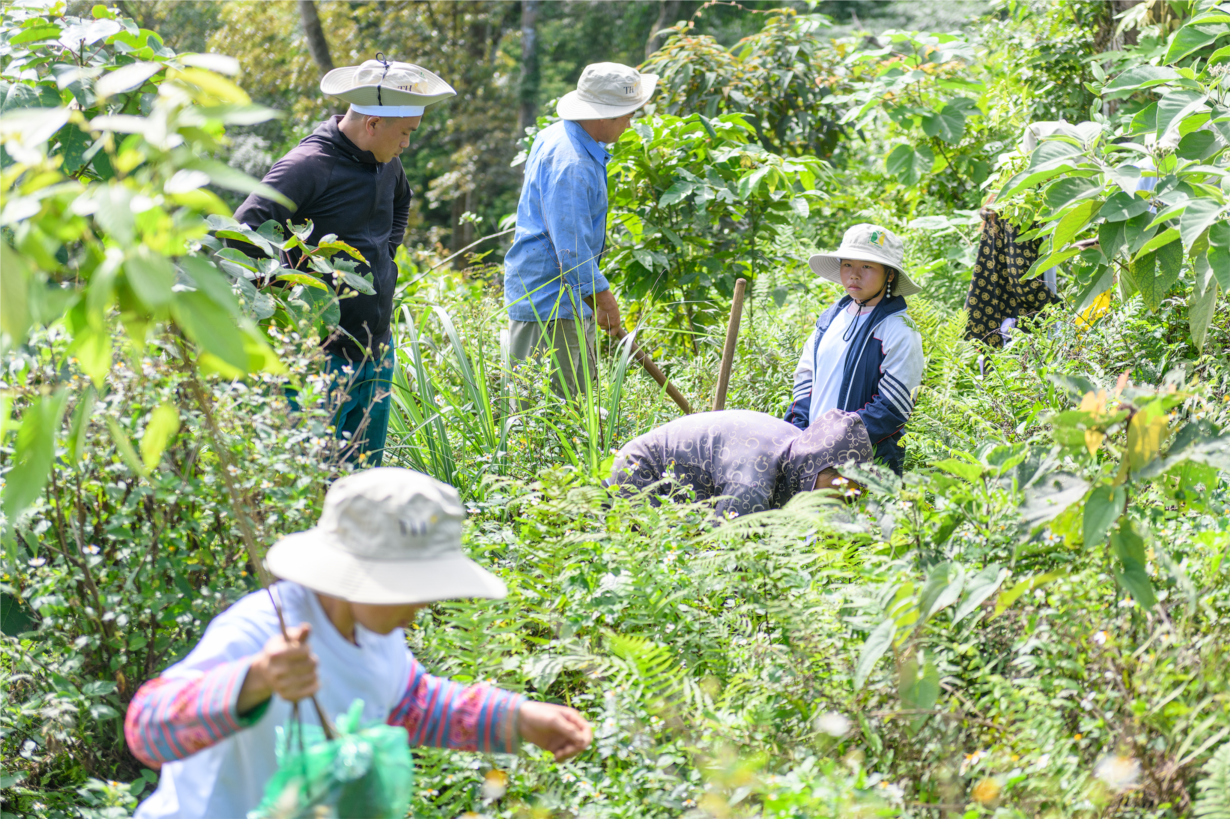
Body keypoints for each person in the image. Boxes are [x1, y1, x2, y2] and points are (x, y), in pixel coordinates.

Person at [124, 468, 592, 818]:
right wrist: (256, 680)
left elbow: (411, 703)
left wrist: (520, 718)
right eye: (415, 585)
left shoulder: (376, 633)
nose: (426, 603)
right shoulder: (260, 629)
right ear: (359, 576)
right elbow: (147, 729)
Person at [233, 58, 457, 466]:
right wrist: (278, 291)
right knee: (315, 477)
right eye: (405, 133)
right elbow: (243, 231)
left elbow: (402, 203)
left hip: (376, 350)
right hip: (320, 356)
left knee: (363, 478)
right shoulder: (308, 166)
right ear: (373, 124)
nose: (407, 143)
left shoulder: (386, 161)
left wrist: (384, 257)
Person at [503, 62, 657, 400]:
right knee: (552, 417)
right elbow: (570, 249)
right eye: (626, 114)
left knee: (573, 407)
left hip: (566, 299)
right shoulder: (572, 162)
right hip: (552, 305)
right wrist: (603, 298)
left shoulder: (562, 135)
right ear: (602, 116)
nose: (631, 122)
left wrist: (594, 301)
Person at [785, 225, 924, 475]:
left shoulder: (899, 330)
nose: (854, 275)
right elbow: (805, 381)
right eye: (847, 264)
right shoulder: (828, 321)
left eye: (867, 266)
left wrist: (833, 440)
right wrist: (801, 434)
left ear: (890, 275)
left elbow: (893, 406)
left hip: (868, 465)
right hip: (810, 455)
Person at [607, 408, 872, 518]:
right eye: (841, 487)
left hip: (683, 480)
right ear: (820, 467)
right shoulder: (752, 483)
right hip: (642, 473)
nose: (841, 499)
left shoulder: (799, 449)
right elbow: (731, 552)